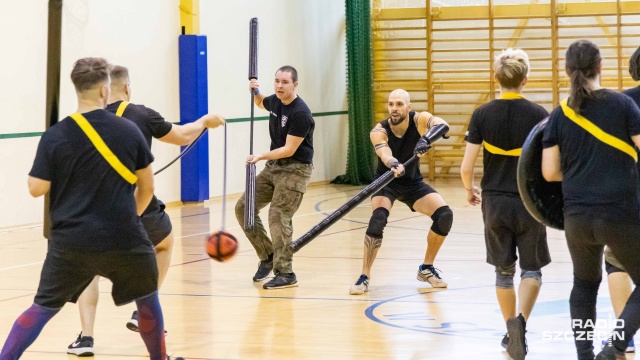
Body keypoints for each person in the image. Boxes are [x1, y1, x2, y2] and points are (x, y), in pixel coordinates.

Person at [0, 58, 182, 360]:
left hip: (72, 241)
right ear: (104, 91)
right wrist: (129, 220)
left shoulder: (56, 134)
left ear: (78, 89)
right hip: (124, 237)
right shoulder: (128, 131)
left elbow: (36, 189)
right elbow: (146, 188)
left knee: (42, 307)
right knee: (148, 300)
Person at [66, 65, 225, 355]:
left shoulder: (83, 120)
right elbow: (181, 135)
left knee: (89, 270)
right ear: (127, 88)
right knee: (163, 244)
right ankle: (143, 313)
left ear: (102, 89)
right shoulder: (141, 113)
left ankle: (86, 338)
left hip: (94, 206)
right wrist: (204, 121)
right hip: (136, 201)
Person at [541, 39, 640, 360]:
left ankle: (584, 354)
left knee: (584, 285)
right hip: (620, 214)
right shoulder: (623, 105)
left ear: (568, 70)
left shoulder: (559, 115)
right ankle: (616, 346)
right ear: (601, 66)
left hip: (577, 218)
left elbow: (549, 172)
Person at [460, 49, 551, 360]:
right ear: (525, 80)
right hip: (529, 201)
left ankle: (510, 328)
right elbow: (548, 164)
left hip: (495, 201)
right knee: (532, 269)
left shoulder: (481, 114)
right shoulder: (540, 114)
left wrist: (469, 189)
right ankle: (521, 325)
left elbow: (466, 167)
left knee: (503, 271)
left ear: (496, 78)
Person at [349, 89, 453, 296]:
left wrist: (426, 139)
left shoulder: (420, 120)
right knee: (377, 219)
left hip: (413, 183)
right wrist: (393, 163)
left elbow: (443, 125)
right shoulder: (379, 130)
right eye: (391, 104)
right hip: (386, 182)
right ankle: (364, 276)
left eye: (398, 104)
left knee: (444, 216)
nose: (394, 109)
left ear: (408, 107)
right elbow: (383, 151)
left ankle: (426, 268)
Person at [234, 65, 314, 289]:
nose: (279, 86)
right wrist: (254, 91)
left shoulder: (301, 113)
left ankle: (286, 272)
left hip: (295, 169)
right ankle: (267, 256)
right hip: (274, 167)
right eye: (276, 81)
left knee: (278, 215)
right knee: (243, 208)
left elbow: (289, 149)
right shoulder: (276, 101)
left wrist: (260, 156)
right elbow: (260, 102)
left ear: (294, 85)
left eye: (285, 82)